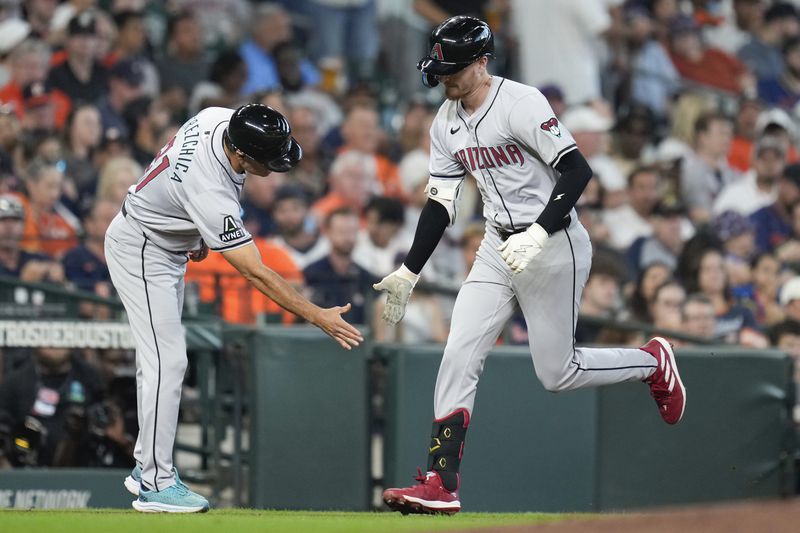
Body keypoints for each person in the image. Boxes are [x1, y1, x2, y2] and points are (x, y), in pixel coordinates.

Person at [376, 17, 687, 516]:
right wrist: (410, 270)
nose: (446, 80)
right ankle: (441, 480)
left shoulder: (520, 103)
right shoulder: (445, 122)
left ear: (482, 62)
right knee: (458, 351)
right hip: (496, 246)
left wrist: (539, 231)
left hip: (554, 242)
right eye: (441, 70)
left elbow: (576, 169)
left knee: (556, 373)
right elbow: (440, 203)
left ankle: (653, 362)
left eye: (453, 69)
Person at [105, 103, 362, 513]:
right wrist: (318, 316)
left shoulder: (218, 118)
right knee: (166, 362)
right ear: (241, 154)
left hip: (164, 241)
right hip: (142, 247)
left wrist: (193, 229)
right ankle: (155, 480)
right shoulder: (208, 187)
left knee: (158, 361)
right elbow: (255, 273)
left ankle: (146, 467)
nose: (277, 167)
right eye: (269, 160)